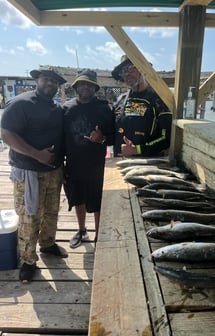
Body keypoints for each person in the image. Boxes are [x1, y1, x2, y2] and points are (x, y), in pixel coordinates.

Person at [0, 68, 68, 284]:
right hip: (28, 172)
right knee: (29, 217)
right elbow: (6, 134)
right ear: (37, 80)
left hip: (53, 171)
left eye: (55, 81)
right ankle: (28, 260)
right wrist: (35, 154)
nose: (50, 83)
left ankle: (47, 244)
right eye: (47, 79)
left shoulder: (56, 108)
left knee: (51, 212)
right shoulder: (21, 103)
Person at [63, 70, 114, 248]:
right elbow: (60, 136)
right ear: (76, 86)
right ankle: (81, 229)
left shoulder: (104, 108)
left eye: (89, 84)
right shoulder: (67, 108)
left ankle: (99, 235)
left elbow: (113, 137)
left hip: (96, 164)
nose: (85, 87)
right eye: (82, 84)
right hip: (73, 163)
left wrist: (102, 138)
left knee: (97, 200)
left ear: (95, 88)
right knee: (77, 198)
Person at [111, 55, 173, 157]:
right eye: (123, 71)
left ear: (142, 70)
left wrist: (137, 150)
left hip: (148, 164)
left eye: (130, 68)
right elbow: (112, 132)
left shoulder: (160, 100)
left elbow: (166, 138)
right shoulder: (120, 100)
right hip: (120, 163)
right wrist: (101, 138)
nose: (127, 74)